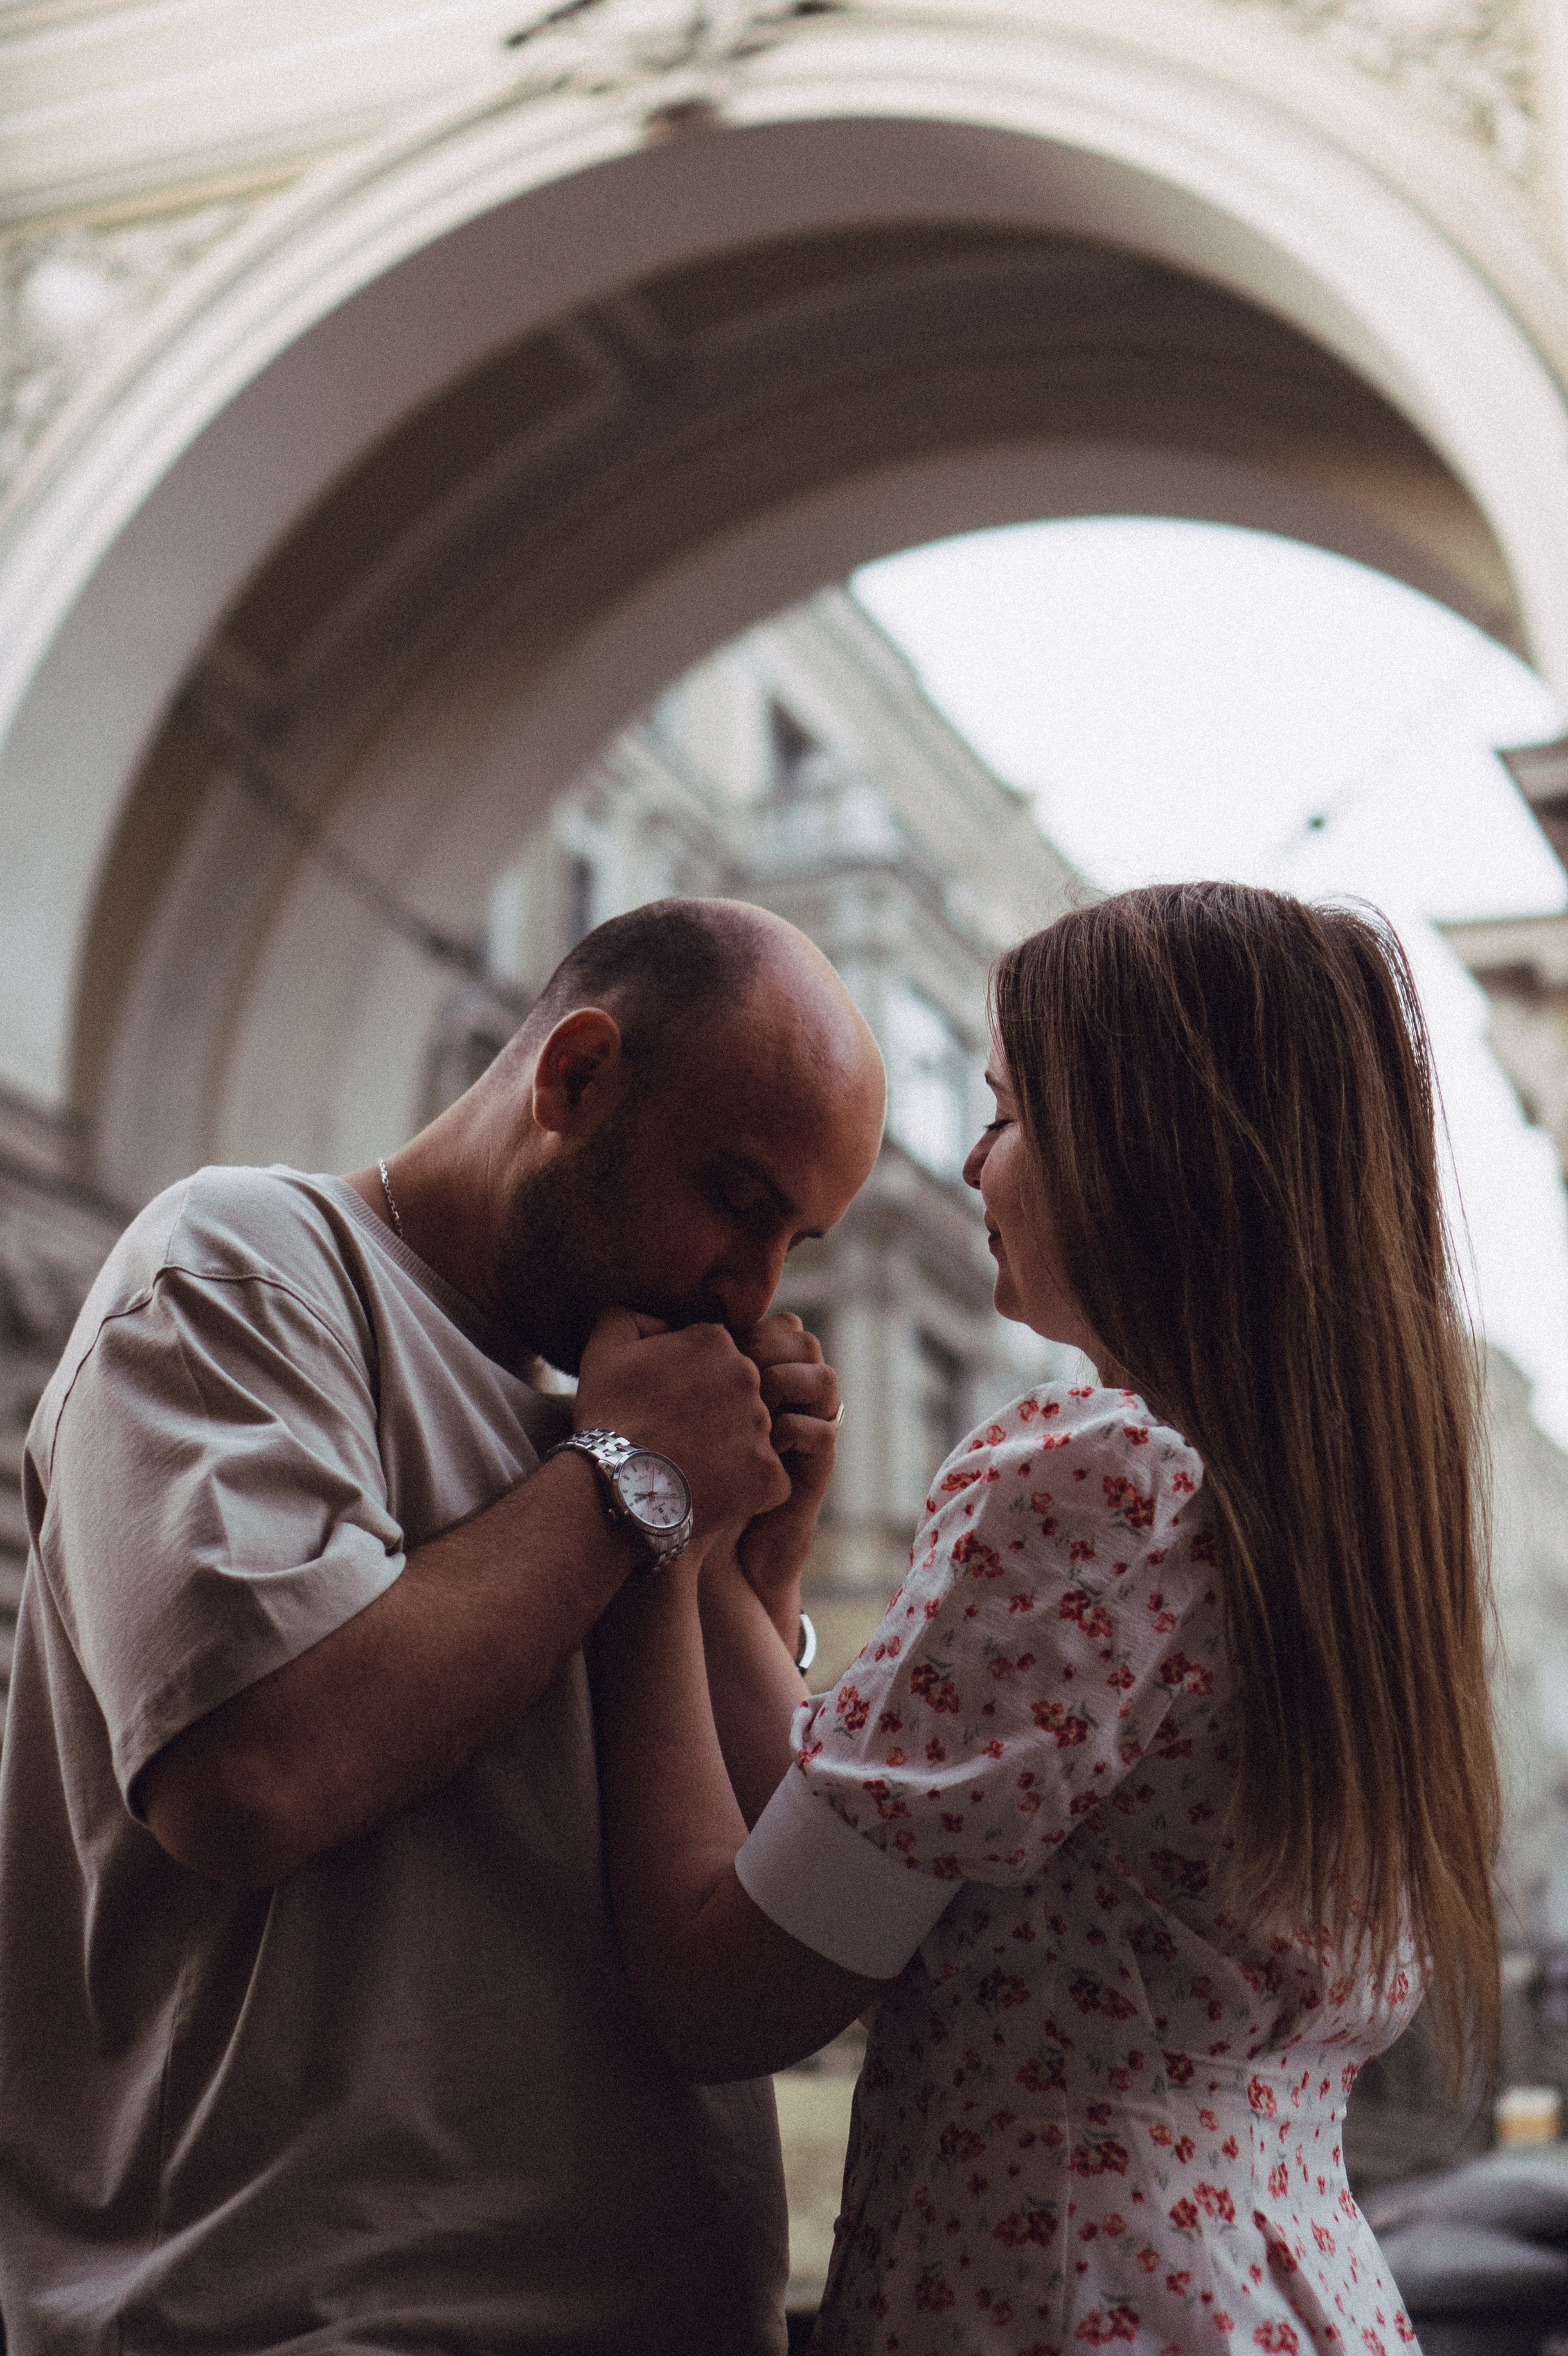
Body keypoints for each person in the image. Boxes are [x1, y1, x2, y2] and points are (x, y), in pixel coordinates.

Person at [592, 881, 1502, 2356]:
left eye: (1007, 1111)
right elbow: (842, 1856)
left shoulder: (1094, 1480)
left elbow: (725, 1996)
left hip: (1064, 2302)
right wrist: (737, 1577)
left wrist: (640, 1514)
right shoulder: (1334, 1544)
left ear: (1148, 1151)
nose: (964, 1158)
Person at [0, 898, 887, 2355]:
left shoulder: (623, 1412)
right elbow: (250, 1777)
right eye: (732, 1197)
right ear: (573, 1078)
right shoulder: (242, 1268)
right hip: (303, 2325)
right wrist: (631, 1484)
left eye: (798, 1237)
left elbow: (758, 1946)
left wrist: (746, 1573)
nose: (754, 1287)